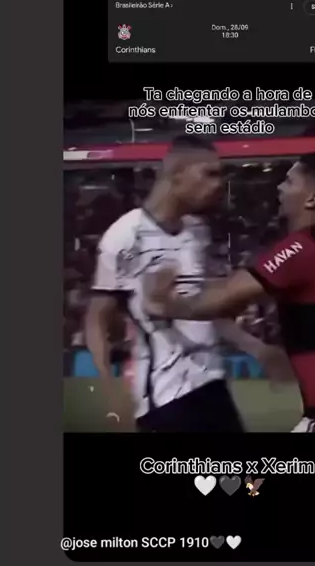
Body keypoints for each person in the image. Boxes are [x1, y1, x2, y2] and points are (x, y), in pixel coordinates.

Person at [145, 153, 315, 433]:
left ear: (312, 199)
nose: (279, 187)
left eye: (289, 182)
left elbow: (216, 302)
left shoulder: (300, 248)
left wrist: (163, 304)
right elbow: (241, 292)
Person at [85, 135, 258, 433]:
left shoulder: (198, 231)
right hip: (165, 399)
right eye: (209, 174)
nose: (219, 184)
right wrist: (111, 394)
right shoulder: (126, 236)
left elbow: (204, 310)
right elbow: (96, 320)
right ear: (177, 175)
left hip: (212, 386)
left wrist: (255, 347)